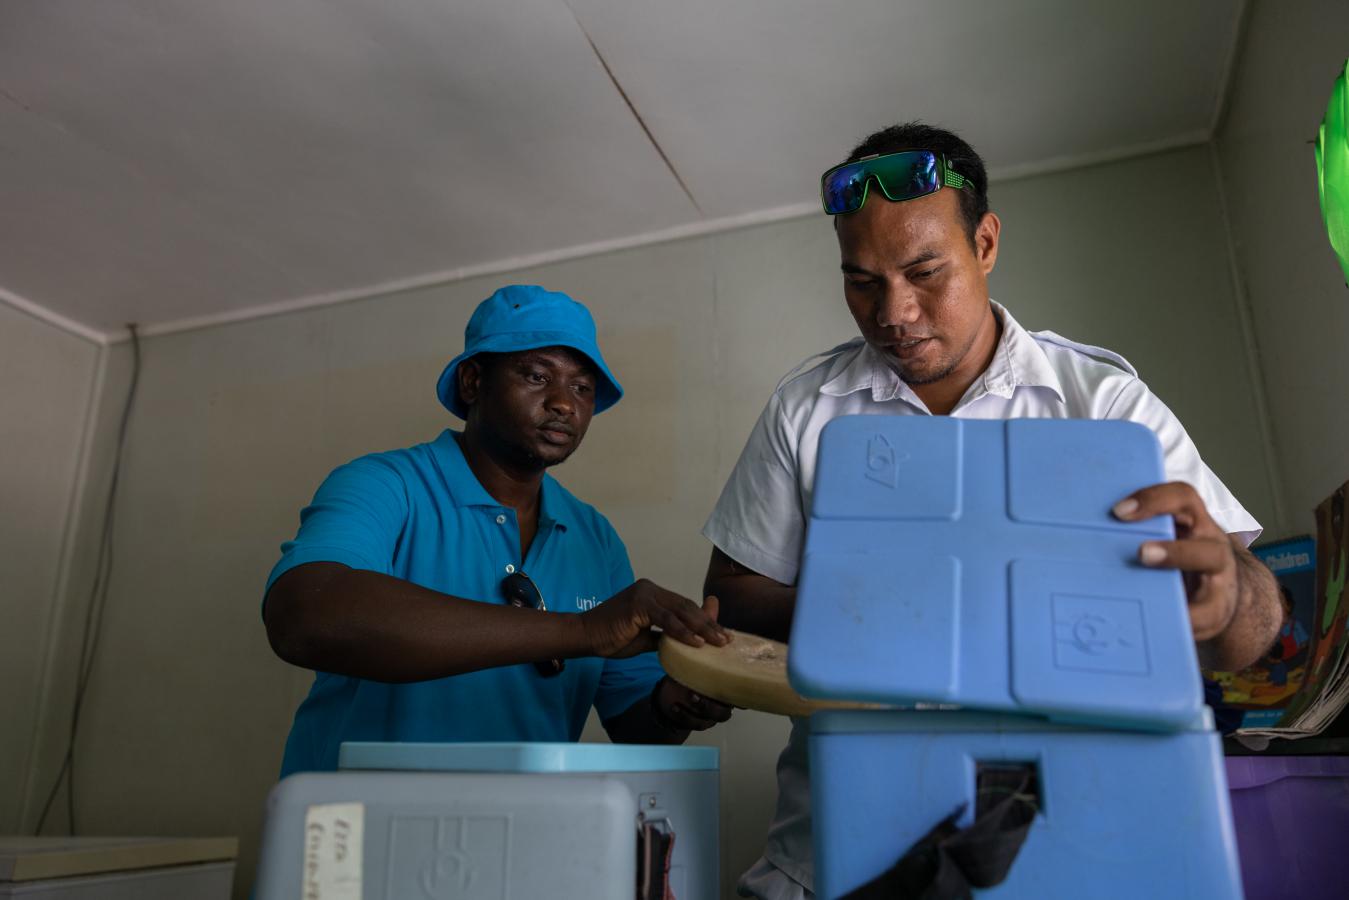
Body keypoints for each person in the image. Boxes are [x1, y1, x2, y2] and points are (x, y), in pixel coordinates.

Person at [701, 123, 1282, 900]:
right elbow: (732, 598)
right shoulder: (806, 409)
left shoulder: (1101, 404)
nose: (893, 312)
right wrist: (913, 609)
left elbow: (1249, 635)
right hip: (835, 847)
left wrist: (1229, 595)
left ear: (984, 244)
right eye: (861, 281)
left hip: (1070, 847)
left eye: (923, 272)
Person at [263, 284, 732, 778]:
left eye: (582, 388)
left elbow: (635, 722)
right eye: (537, 376)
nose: (564, 404)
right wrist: (581, 631)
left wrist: (681, 699)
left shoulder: (595, 536)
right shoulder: (384, 484)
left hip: (522, 818)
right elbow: (304, 615)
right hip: (358, 818)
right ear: (472, 382)